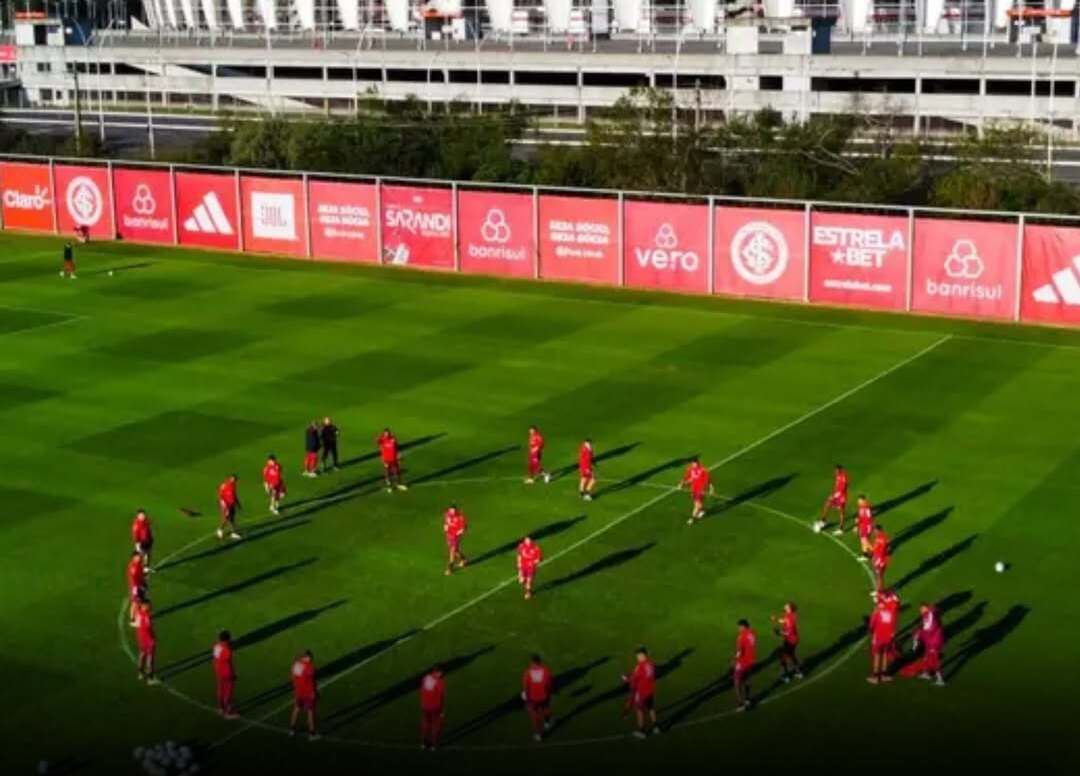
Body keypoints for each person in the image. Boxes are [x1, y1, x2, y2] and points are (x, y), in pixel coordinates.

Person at [622, 646, 659, 739]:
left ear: (643, 655)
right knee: (651, 708)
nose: (637, 658)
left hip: (641, 692)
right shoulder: (651, 664)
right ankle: (656, 727)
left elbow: (634, 678)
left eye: (638, 656)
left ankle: (641, 731)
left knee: (639, 711)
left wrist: (626, 678)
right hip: (650, 690)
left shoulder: (640, 666)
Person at [521, 654, 553, 742]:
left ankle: (538, 735)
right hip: (544, 696)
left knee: (535, 716)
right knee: (546, 708)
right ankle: (547, 723)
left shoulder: (528, 672)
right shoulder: (546, 671)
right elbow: (550, 684)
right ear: (540, 661)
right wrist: (549, 692)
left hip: (532, 698)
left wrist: (525, 696)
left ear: (532, 662)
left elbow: (525, 686)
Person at [868, 592, 898, 684]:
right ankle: (884, 675)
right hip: (888, 637)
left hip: (878, 636)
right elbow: (893, 624)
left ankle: (875, 677)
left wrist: (871, 631)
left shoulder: (877, 612)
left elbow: (871, 625)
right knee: (885, 654)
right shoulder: (891, 611)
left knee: (877, 655)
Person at [913, 604, 946, 687]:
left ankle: (940, 679)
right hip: (930, 640)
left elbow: (928, 629)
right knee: (926, 657)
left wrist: (918, 635)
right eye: (920, 609)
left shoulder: (930, 615)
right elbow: (925, 628)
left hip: (934, 642)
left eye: (922, 609)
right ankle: (927, 673)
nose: (921, 611)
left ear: (926, 608)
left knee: (934, 660)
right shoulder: (928, 616)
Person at [289, 650, 319, 740]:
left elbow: (293, 677)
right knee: (310, 712)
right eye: (310, 658)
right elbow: (312, 681)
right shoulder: (309, 667)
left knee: (296, 709)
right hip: (308, 694)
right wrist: (315, 692)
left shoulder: (296, 664)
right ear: (307, 657)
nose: (311, 660)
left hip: (298, 692)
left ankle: (292, 729)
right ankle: (312, 734)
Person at [770, 603, 803, 683]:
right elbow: (784, 621)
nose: (785, 605)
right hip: (793, 639)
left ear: (789, 608)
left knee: (783, 656)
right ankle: (798, 672)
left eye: (787, 605)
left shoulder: (790, 618)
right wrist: (776, 619)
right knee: (791, 655)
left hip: (790, 640)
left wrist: (779, 632)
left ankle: (785, 676)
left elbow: (788, 632)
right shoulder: (789, 615)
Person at [679, 457, 714, 525]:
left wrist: (711, 489)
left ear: (697, 463)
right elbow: (689, 478)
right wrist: (682, 484)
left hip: (701, 490)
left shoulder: (703, 470)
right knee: (698, 504)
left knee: (696, 505)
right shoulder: (690, 469)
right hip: (693, 489)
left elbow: (709, 480)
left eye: (694, 463)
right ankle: (702, 510)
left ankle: (692, 519)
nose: (693, 465)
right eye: (692, 463)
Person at [213, 630, 239, 719]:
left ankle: (220, 708)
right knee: (228, 693)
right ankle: (228, 713)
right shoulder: (227, 650)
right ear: (227, 639)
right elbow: (229, 663)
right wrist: (233, 674)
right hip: (227, 673)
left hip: (218, 672)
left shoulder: (216, 646)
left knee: (220, 690)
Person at [816, 464, 849, 533]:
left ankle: (841, 528)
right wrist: (833, 493)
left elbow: (843, 488)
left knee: (841, 511)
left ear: (840, 470)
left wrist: (834, 496)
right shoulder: (837, 476)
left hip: (842, 496)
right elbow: (836, 486)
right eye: (835, 471)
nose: (835, 472)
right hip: (836, 494)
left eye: (837, 470)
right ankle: (823, 520)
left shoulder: (844, 476)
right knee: (827, 504)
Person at [132, 599, 159, 685]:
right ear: (144, 606)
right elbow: (149, 629)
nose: (150, 607)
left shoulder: (138, 613)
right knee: (150, 658)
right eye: (148, 605)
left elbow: (136, 624)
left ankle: (140, 673)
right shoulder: (147, 617)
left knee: (142, 654)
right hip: (149, 640)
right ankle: (150, 679)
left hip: (140, 638)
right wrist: (154, 637)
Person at [420, 665, 445, 751]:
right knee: (435, 726)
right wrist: (442, 710)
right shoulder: (440, 681)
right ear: (438, 672)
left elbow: (422, 690)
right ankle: (434, 745)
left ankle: (423, 744)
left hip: (425, 706)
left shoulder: (425, 678)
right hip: (435, 707)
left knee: (425, 724)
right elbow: (441, 696)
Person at [733, 619, 757, 711]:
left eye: (739, 627)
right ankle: (747, 699)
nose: (738, 629)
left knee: (737, 682)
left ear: (743, 626)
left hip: (742, 662)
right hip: (751, 661)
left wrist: (735, 659)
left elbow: (740, 651)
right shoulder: (752, 633)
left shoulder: (741, 637)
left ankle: (740, 704)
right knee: (747, 679)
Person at [443, 504, 468, 576]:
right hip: (449, 535)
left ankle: (450, 569)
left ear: (456, 510)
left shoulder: (460, 517)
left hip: (455, 537)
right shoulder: (447, 514)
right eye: (451, 511)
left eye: (454, 511)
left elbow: (464, 527)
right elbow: (446, 523)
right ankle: (463, 559)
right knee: (456, 551)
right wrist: (445, 527)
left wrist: (460, 532)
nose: (452, 512)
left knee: (452, 551)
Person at [217, 474, 241, 541]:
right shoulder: (224, 485)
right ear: (230, 479)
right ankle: (220, 529)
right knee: (226, 518)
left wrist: (238, 503)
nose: (234, 481)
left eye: (235, 480)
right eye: (233, 480)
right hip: (226, 504)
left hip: (231, 504)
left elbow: (234, 495)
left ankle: (233, 533)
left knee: (232, 518)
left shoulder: (233, 485)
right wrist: (224, 505)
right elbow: (220, 495)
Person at [127, 550, 147, 625]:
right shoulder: (133, 567)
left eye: (140, 556)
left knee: (140, 600)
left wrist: (143, 583)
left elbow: (141, 574)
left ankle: (139, 615)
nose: (140, 557)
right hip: (135, 588)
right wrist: (136, 590)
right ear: (134, 557)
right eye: (138, 556)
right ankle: (132, 620)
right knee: (135, 602)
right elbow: (133, 581)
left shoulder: (139, 563)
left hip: (140, 585)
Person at [871, 524, 891, 594]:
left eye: (875, 530)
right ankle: (879, 589)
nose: (874, 532)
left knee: (880, 575)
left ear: (879, 530)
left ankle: (880, 591)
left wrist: (884, 558)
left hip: (881, 559)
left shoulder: (884, 538)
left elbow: (888, 549)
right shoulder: (877, 538)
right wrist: (874, 557)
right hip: (877, 558)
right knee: (878, 575)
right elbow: (875, 548)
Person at [856, 495, 875, 561]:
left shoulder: (867, 508)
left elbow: (869, 518)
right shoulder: (861, 507)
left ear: (864, 500)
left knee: (865, 540)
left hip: (867, 526)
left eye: (860, 501)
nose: (858, 502)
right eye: (858, 501)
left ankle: (874, 552)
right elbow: (860, 517)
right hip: (863, 526)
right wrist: (858, 524)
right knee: (862, 540)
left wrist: (871, 526)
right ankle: (865, 555)